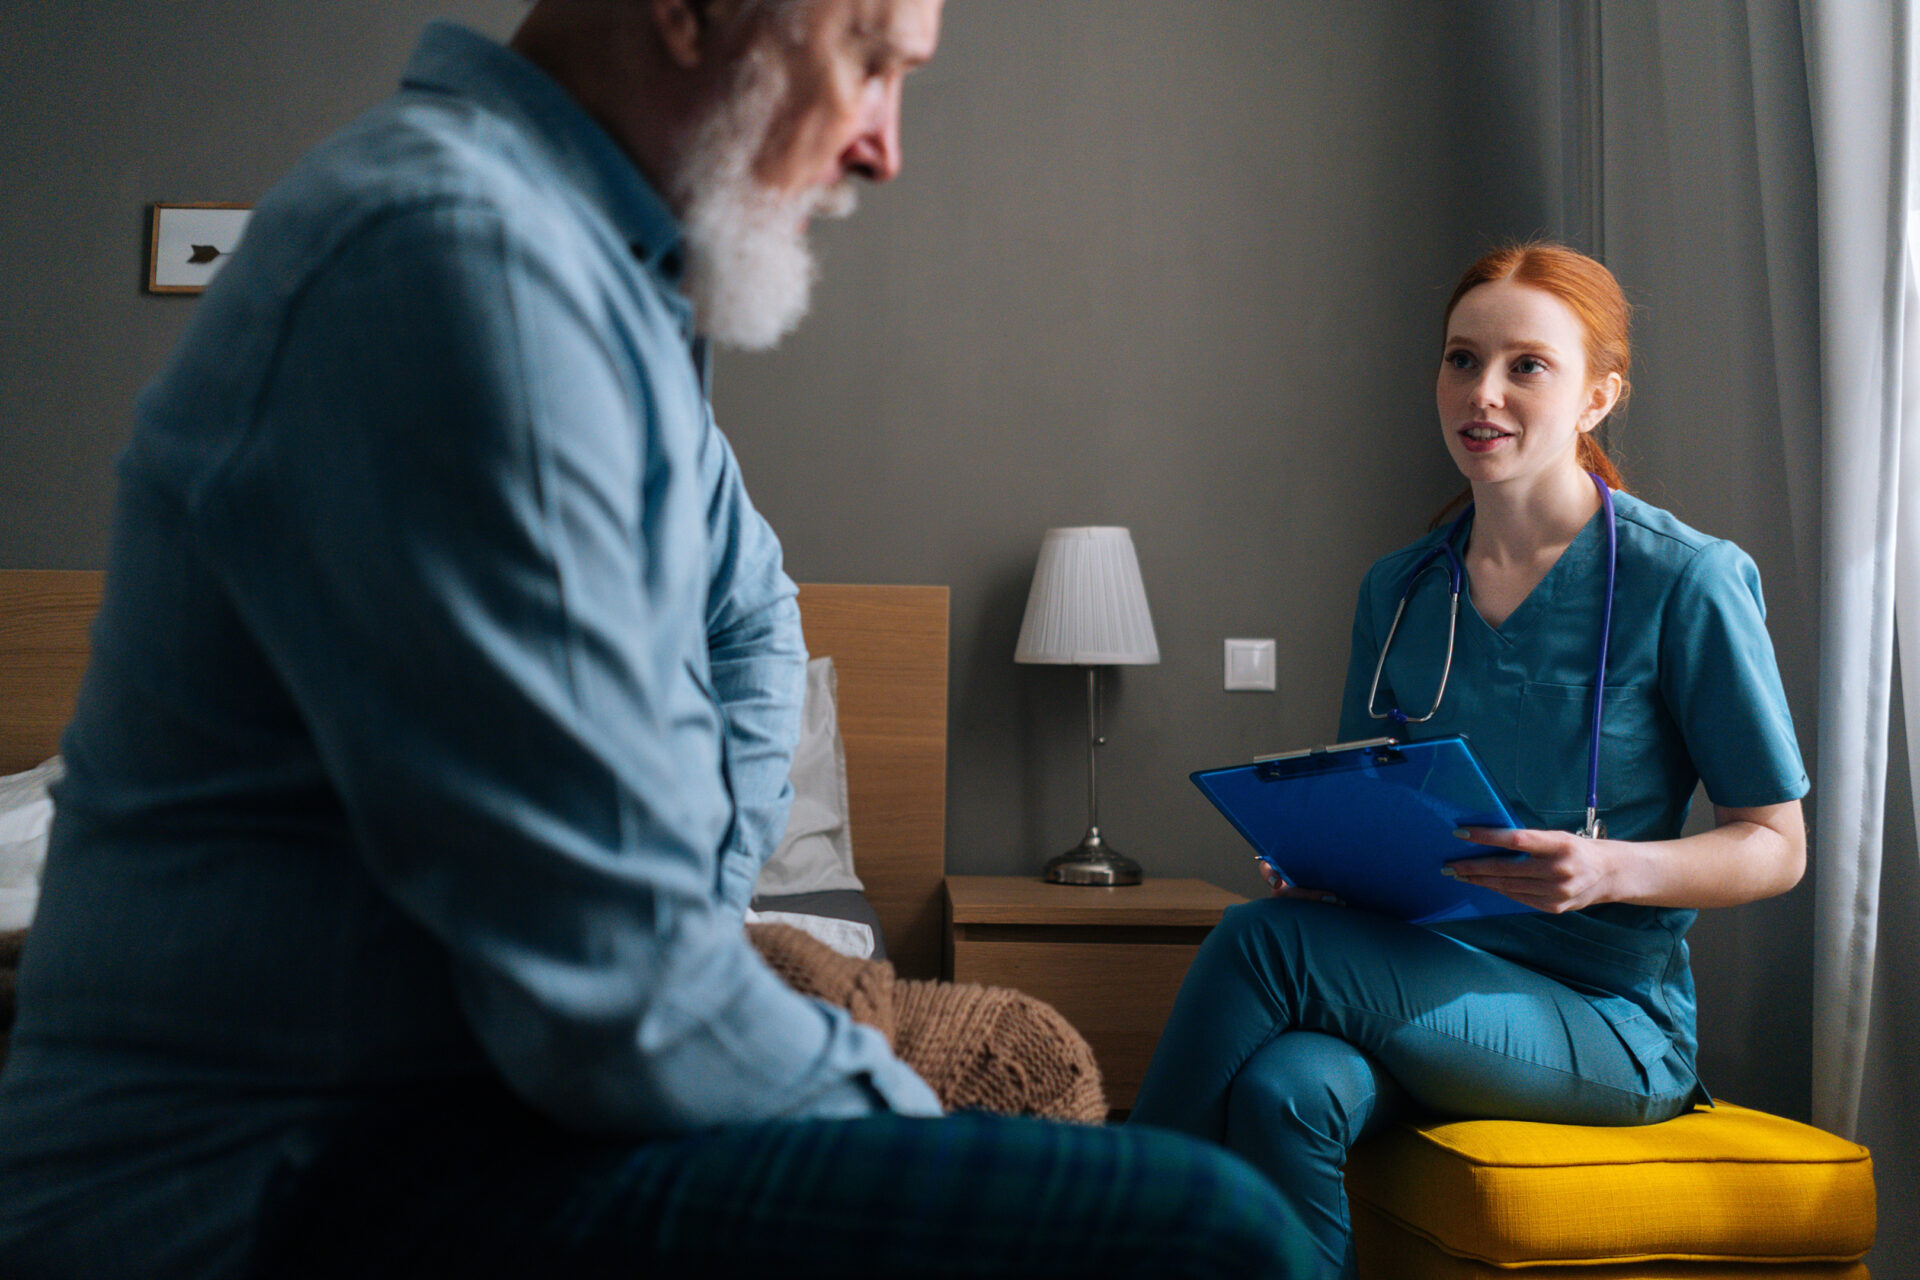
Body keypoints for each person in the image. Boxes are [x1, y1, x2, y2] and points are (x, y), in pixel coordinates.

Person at [0, 3, 1303, 1277]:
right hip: (283, 1171)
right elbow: (619, 996)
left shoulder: (597, 282)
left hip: (459, 1107)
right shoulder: (465, 260)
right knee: (1206, 1231)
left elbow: (746, 625)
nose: (884, 145)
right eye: (867, 60)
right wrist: (906, 1122)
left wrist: (711, 887)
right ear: (690, 14)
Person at [1128, 241, 1809, 1279]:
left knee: (1266, 944)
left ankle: (1100, 1228)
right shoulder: (1400, 588)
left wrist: (1613, 867)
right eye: (1461, 358)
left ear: (1597, 394)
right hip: (1425, 968)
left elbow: (1776, 843)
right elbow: (1363, 782)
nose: (1481, 392)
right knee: (1287, 1087)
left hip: (1608, 1017)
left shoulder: (1689, 582)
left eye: (1525, 365)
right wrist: (1328, 861)